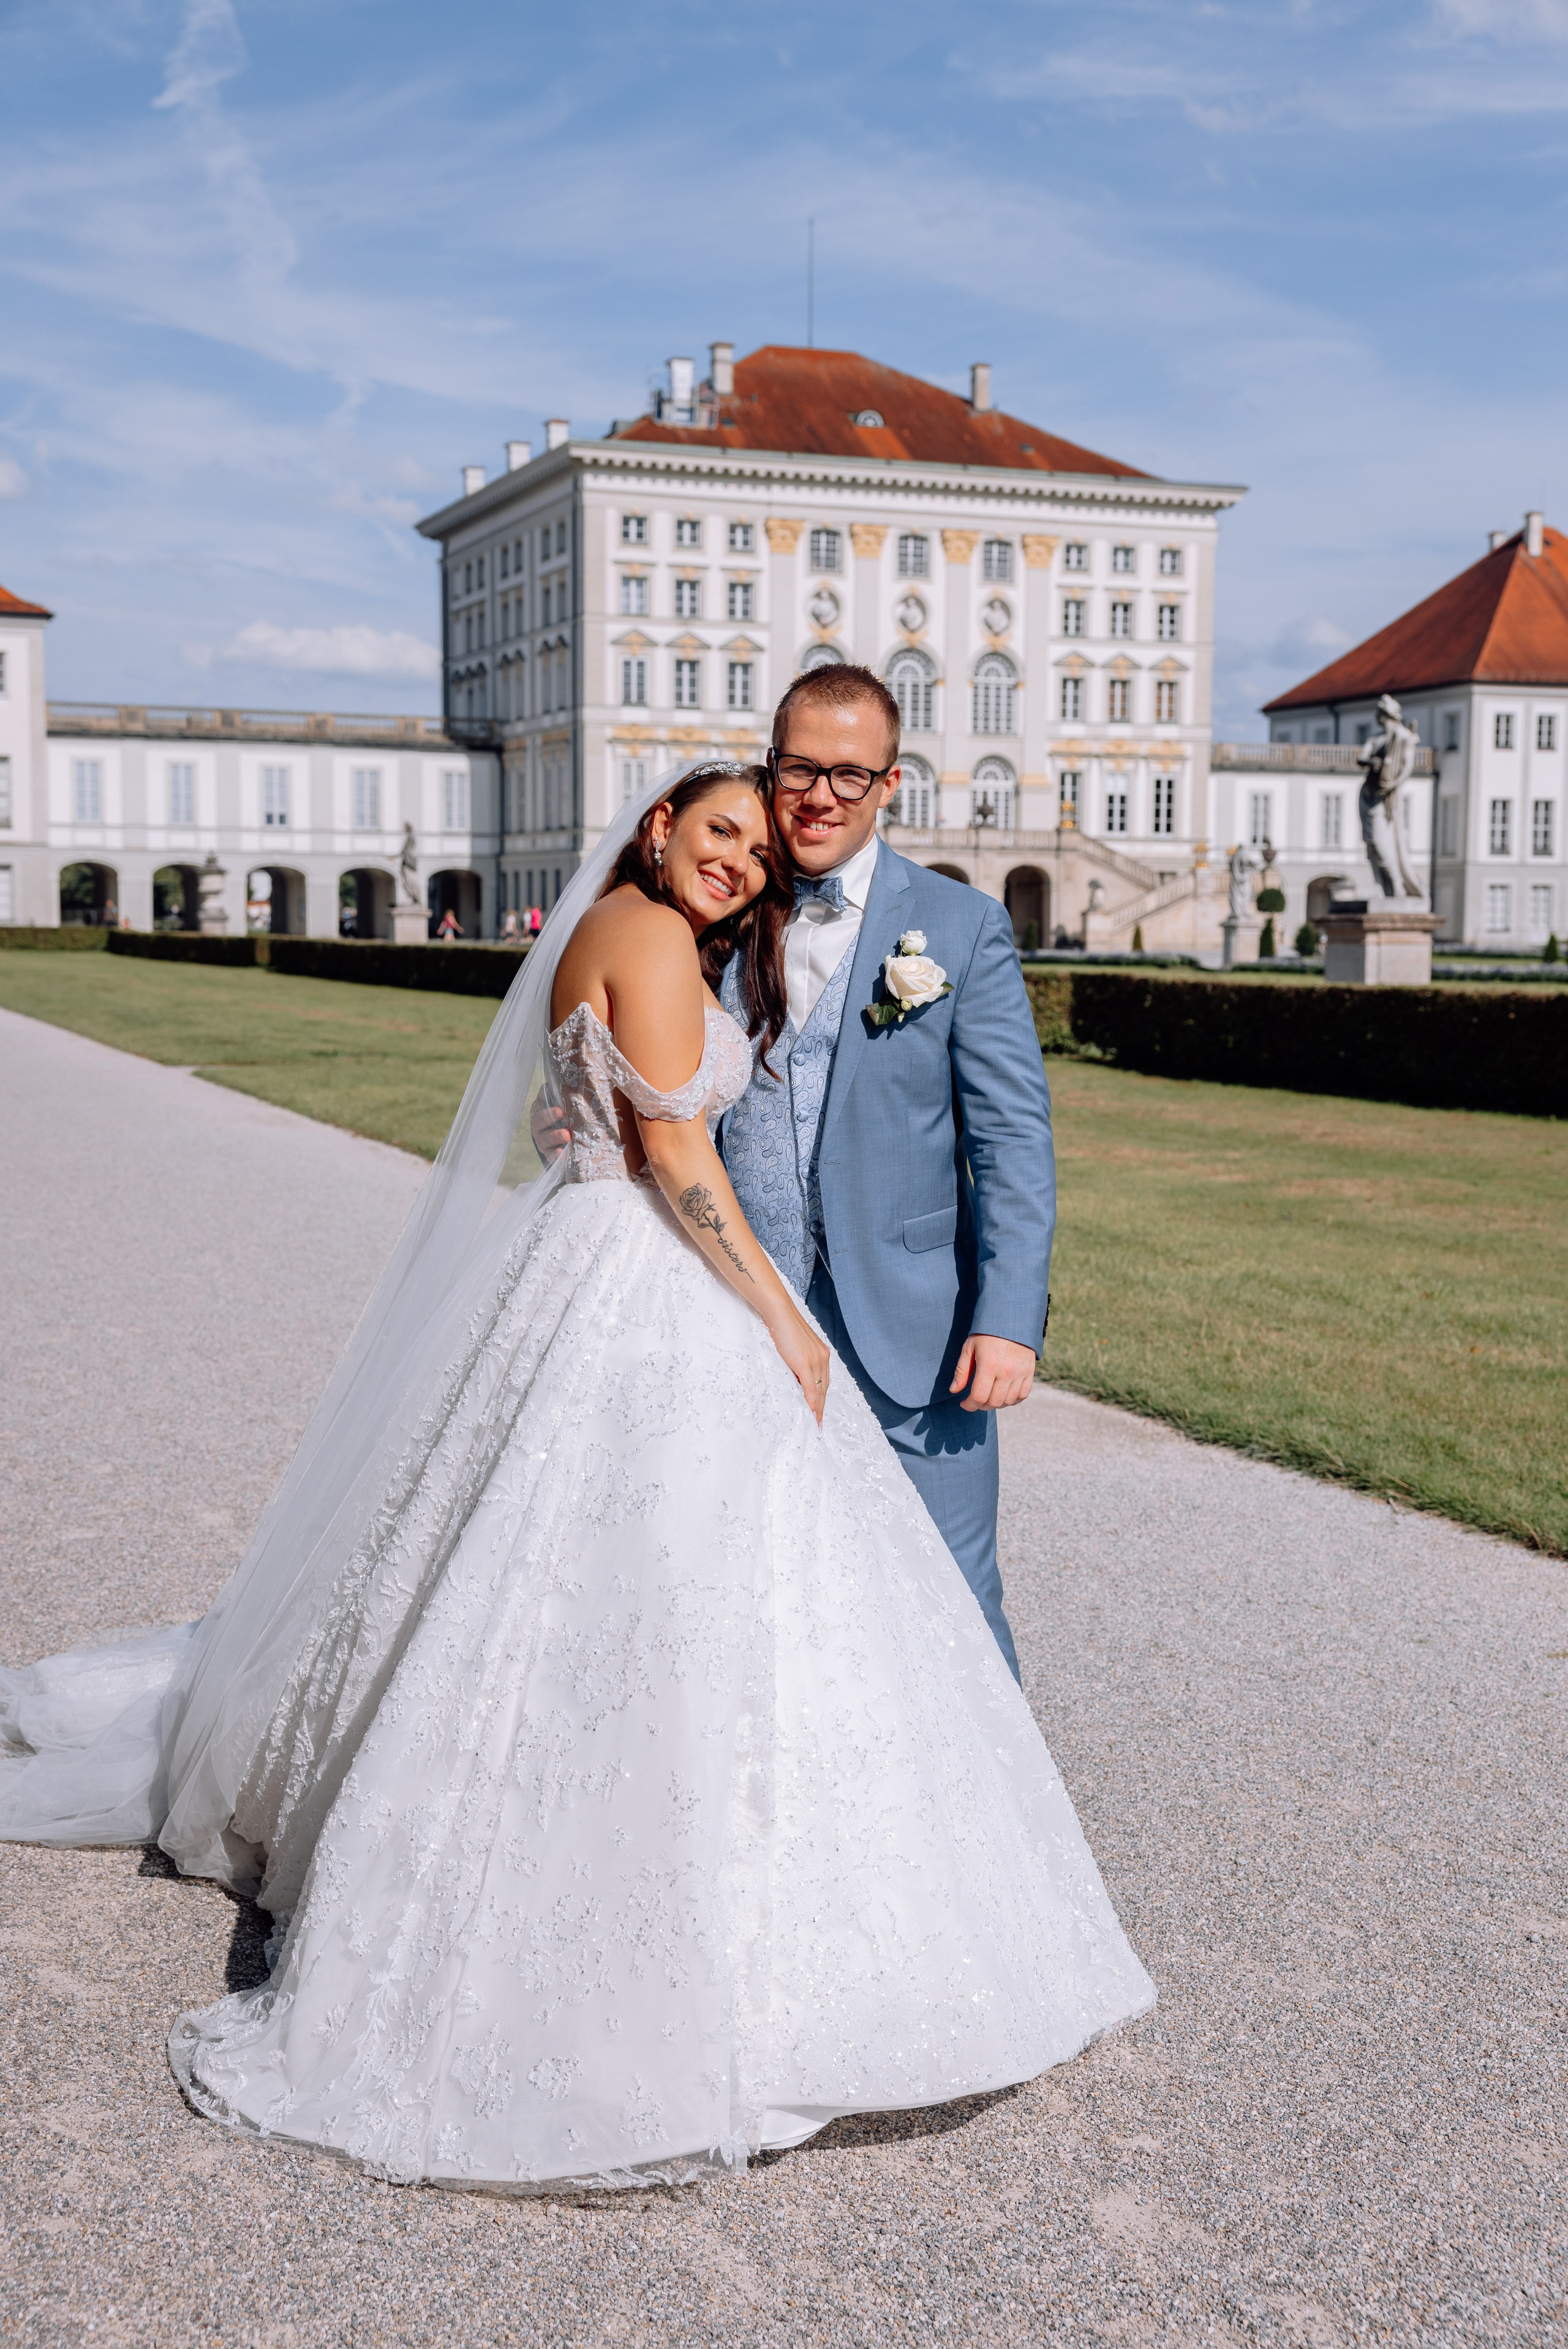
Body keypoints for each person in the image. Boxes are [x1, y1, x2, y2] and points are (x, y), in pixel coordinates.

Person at [0, 763, 1152, 2194]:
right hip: (648, 1276)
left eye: (754, 842)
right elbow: (673, 1149)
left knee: (534, 1563)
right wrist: (784, 1322)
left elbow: (587, 1116)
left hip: (583, 1259)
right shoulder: (656, 935)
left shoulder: (622, 925)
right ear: (658, 825)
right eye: (716, 829)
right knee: (648, 1585)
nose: (737, 858)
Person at [718, 664, 1052, 1681]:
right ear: (770, 768)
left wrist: (1007, 1316)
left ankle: (999, 1834)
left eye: (849, 775)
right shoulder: (721, 903)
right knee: (751, 1580)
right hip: (737, 1311)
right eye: (800, 769)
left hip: (917, 1328)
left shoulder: (957, 925)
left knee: (952, 1588)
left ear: (890, 784)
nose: (821, 795)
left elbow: (1011, 1139)